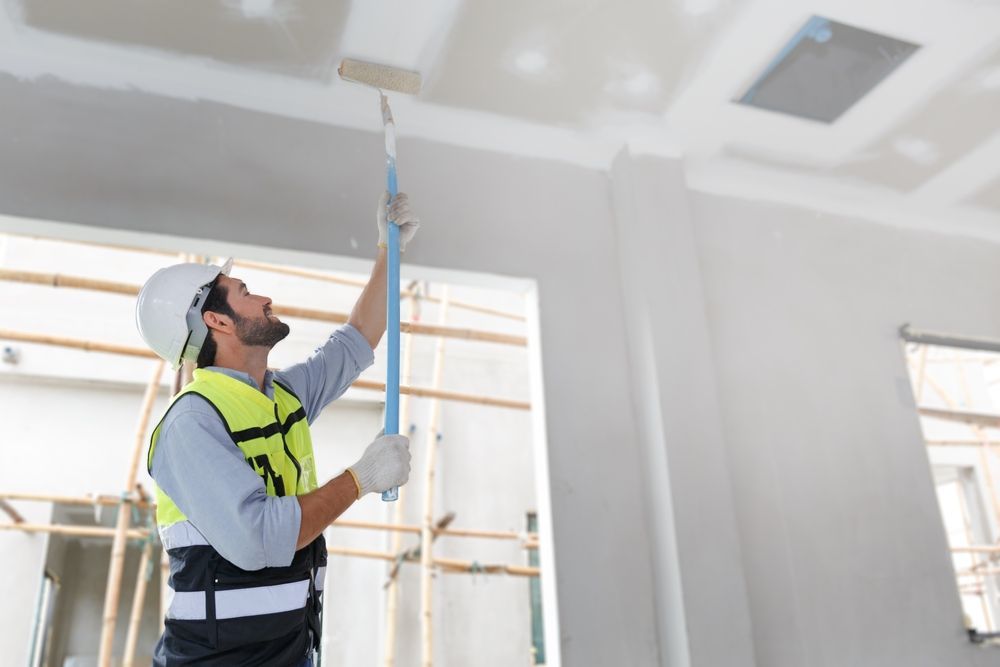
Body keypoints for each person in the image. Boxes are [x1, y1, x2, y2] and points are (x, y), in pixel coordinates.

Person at [134, 192, 420, 666]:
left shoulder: (280, 396)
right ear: (217, 320)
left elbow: (354, 343)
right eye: (246, 292)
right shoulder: (192, 422)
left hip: (288, 652)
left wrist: (389, 251)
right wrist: (360, 479)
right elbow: (259, 538)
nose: (265, 298)